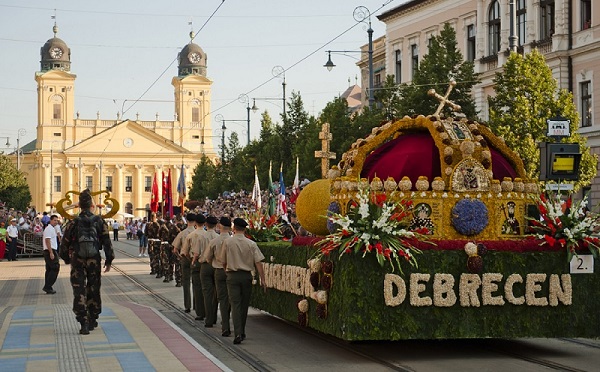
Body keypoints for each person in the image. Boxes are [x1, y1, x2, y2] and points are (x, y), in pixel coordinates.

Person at [59, 189, 114, 335]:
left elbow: (64, 245)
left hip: (78, 260)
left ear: (80, 206)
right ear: (91, 205)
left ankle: (83, 322)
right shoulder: (99, 221)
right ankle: (93, 318)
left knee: (79, 291)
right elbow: (107, 242)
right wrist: (109, 260)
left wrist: (66, 258)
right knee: (93, 288)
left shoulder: (73, 222)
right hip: (94, 260)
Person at [219, 217, 267, 344]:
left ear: (234, 228)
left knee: (235, 304)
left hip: (232, 276)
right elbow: (258, 263)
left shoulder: (228, 242)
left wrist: (227, 271)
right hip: (246, 276)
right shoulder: (251, 244)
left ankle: (238, 332)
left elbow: (223, 261)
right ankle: (242, 331)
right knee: (244, 304)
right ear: (245, 229)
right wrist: (263, 279)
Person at [206, 216, 232, 336]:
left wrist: (214, 264)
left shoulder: (214, 241)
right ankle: (227, 321)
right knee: (232, 297)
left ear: (220, 226)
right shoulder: (233, 240)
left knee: (222, 298)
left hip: (219, 271)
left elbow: (207, 258)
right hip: (231, 271)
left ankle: (225, 325)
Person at [199, 216, 220, 327]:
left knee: (207, 293)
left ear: (206, 224)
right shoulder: (218, 237)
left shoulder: (201, 237)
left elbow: (195, 252)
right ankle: (214, 317)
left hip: (205, 265)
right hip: (216, 265)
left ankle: (209, 319)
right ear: (216, 225)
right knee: (216, 293)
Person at [176, 213, 197, 313]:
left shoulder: (182, 233)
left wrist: (180, 257)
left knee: (186, 282)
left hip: (185, 259)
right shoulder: (199, 233)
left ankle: (187, 306)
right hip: (195, 259)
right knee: (196, 282)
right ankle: (197, 305)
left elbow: (175, 249)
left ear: (187, 221)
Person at [189, 213, 208, 321]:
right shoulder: (210, 235)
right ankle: (209, 313)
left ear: (195, 223)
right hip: (208, 263)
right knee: (208, 290)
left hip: (196, 263)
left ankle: (200, 312)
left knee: (197, 288)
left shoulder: (191, 235)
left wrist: (192, 261)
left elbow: (185, 251)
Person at [42, 215, 60, 294]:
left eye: (57, 220)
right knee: (55, 267)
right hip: (50, 250)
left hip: (51, 249)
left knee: (49, 269)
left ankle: (48, 286)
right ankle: (48, 286)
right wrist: (51, 252)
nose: (56, 222)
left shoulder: (52, 229)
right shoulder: (48, 229)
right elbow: (47, 240)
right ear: (50, 220)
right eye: (54, 220)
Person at [146, 213, 161, 277]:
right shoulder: (158, 224)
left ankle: (153, 269)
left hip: (150, 242)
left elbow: (146, 233)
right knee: (157, 257)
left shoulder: (148, 225)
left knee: (151, 256)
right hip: (157, 242)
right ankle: (158, 270)